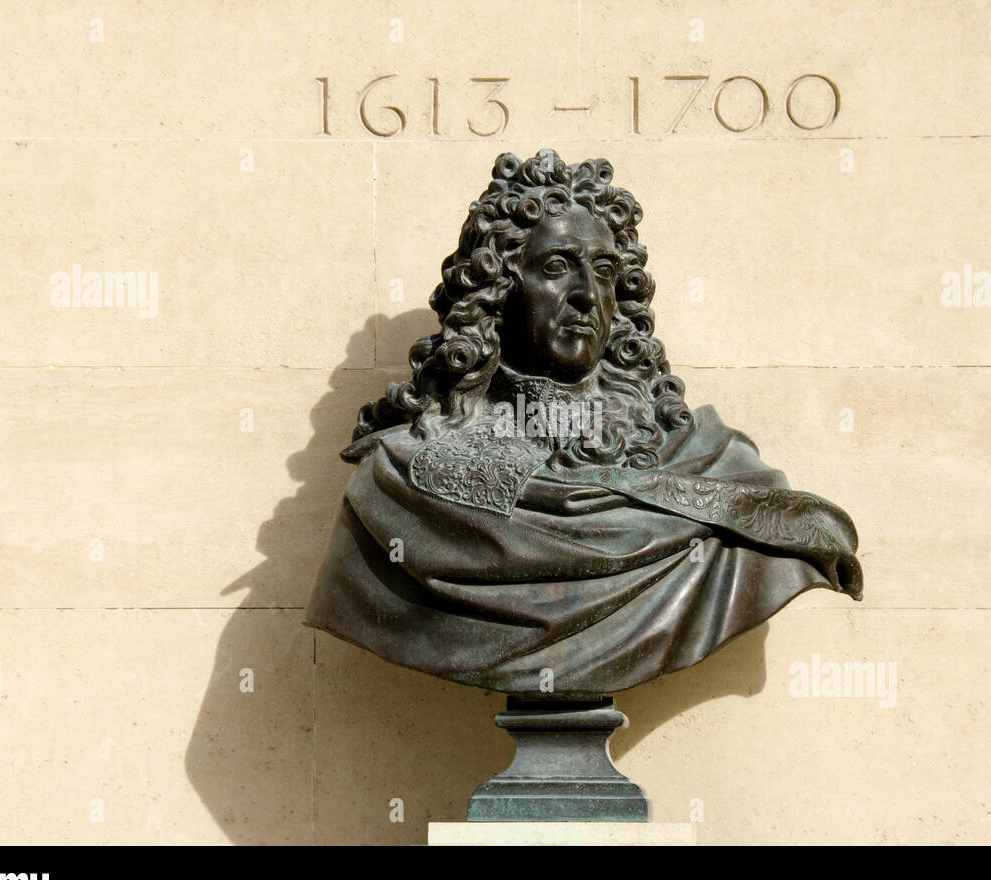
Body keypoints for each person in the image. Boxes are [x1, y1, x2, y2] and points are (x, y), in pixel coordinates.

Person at [305, 149, 861, 697]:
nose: (585, 296)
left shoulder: (716, 468)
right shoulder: (399, 482)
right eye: (554, 268)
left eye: (603, 272)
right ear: (499, 290)